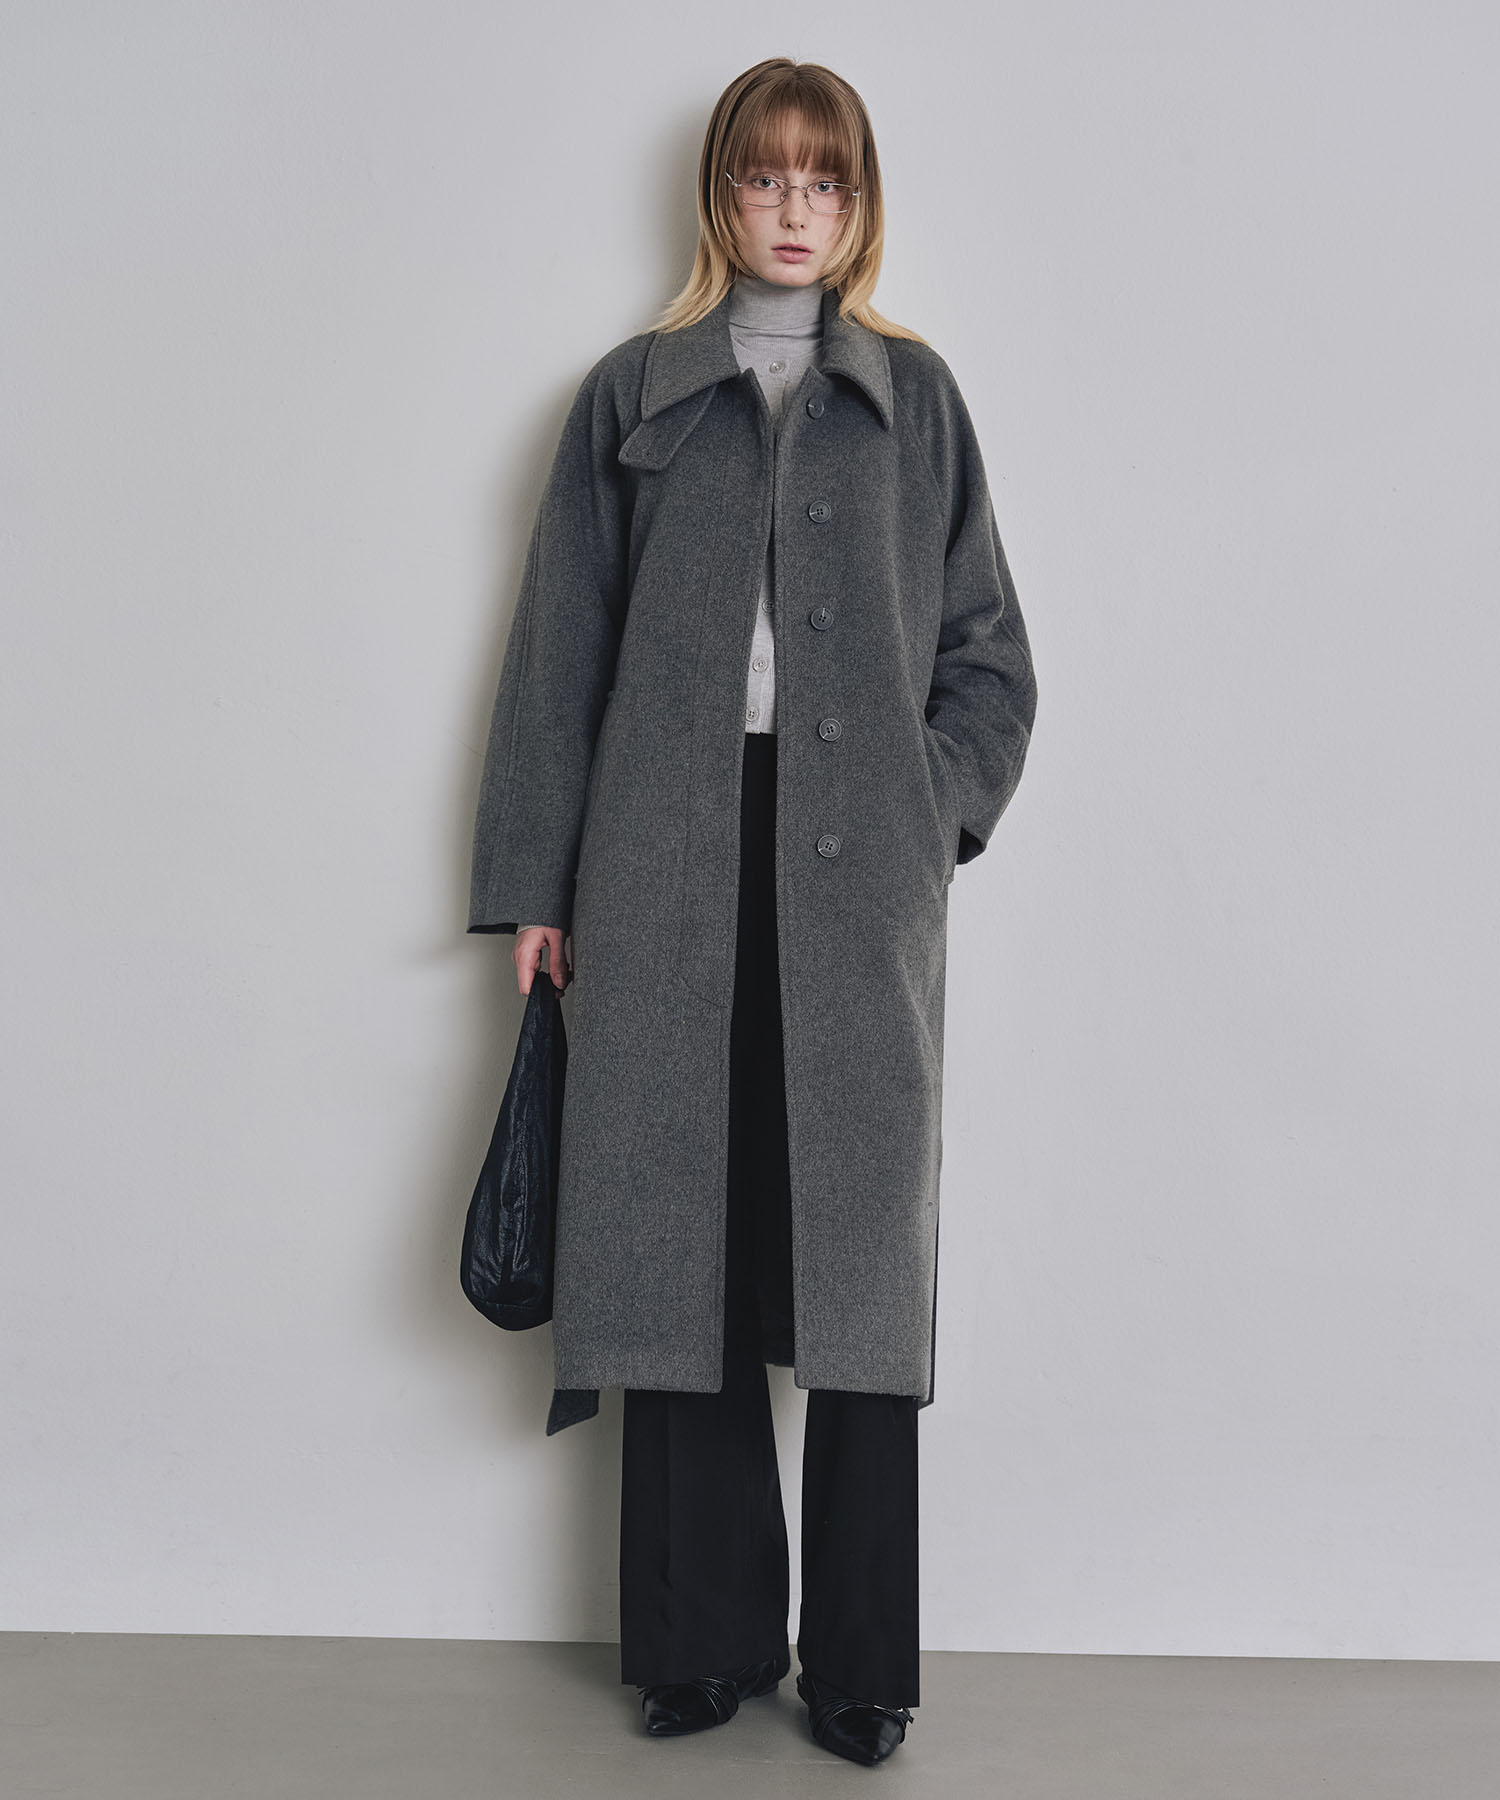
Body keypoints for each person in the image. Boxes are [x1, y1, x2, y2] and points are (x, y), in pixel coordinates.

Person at [468, 57, 1038, 1766]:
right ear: (722, 195)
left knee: (858, 1259)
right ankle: (698, 1642)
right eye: (768, 178)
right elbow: (559, 649)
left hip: (862, 871)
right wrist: (536, 883)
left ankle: (861, 1664)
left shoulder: (915, 399)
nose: (797, 210)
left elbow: (990, 654)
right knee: (674, 1233)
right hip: (663, 854)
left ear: (859, 208)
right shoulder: (634, 394)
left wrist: (936, 807)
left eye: (827, 182)